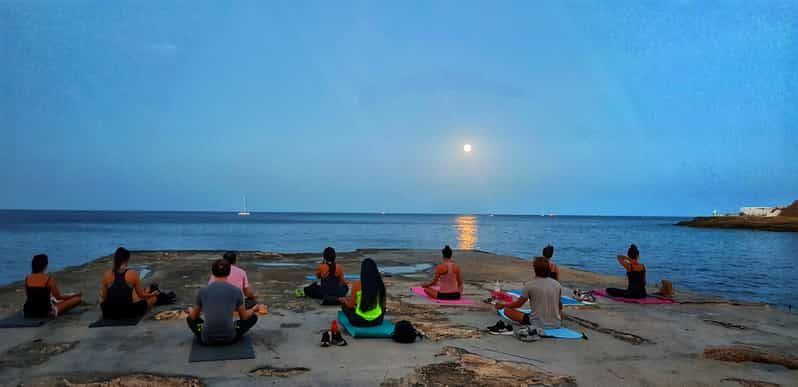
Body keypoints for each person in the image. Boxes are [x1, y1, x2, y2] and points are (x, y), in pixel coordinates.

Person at [188, 259, 258, 345]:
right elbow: (244, 317)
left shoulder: (202, 291)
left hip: (207, 338)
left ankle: (209, 331)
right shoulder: (236, 291)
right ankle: (230, 328)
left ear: (213, 273)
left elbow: (194, 317)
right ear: (229, 272)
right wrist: (254, 309)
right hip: (230, 337)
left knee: (189, 318)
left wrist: (190, 310)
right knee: (253, 317)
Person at [488, 257, 563, 335]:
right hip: (556, 323)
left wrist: (503, 305)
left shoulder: (530, 285)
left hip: (537, 323)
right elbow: (560, 306)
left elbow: (518, 304)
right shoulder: (557, 284)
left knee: (507, 310)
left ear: (535, 269)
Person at [100, 247, 159, 319]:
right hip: (129, 311)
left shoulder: (107, 274)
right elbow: (142, 295)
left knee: (102, 300)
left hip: (111, 312)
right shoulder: (133, 274)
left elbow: (105, 298)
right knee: (153, 299)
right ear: (126, 260)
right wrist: (153, 294)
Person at [339, 258, 385, 327]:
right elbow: (383, 304)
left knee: (344, 306)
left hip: (359, 321)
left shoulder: (357, 285)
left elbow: (350, 305)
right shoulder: (380, 284)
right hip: (377, 320)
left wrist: (345, 301)